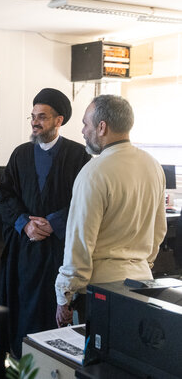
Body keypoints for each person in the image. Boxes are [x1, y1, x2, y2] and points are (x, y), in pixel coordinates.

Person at [55, 95, 167, 327]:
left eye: (86, 124)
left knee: (96, 361)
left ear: (102, 127)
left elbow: (80, 243)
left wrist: (63, 294)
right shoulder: (153, 166)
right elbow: (158, 230)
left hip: (102, 291)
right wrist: (142, 265)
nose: (84, 131)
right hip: (142, 284)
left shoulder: (93, 172)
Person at [0, 88, 91, 357]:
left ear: (59, 120)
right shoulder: (20, 154)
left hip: (58, 252)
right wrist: (24, 223)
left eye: (42, 117)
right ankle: (21, 358)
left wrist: (53, 223)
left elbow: (84, 199)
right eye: (33, 116)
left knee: (54, 308)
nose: (35, 122)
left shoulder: (79, 155)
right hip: (25, 249)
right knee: (23, 305)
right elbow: (6, 194)